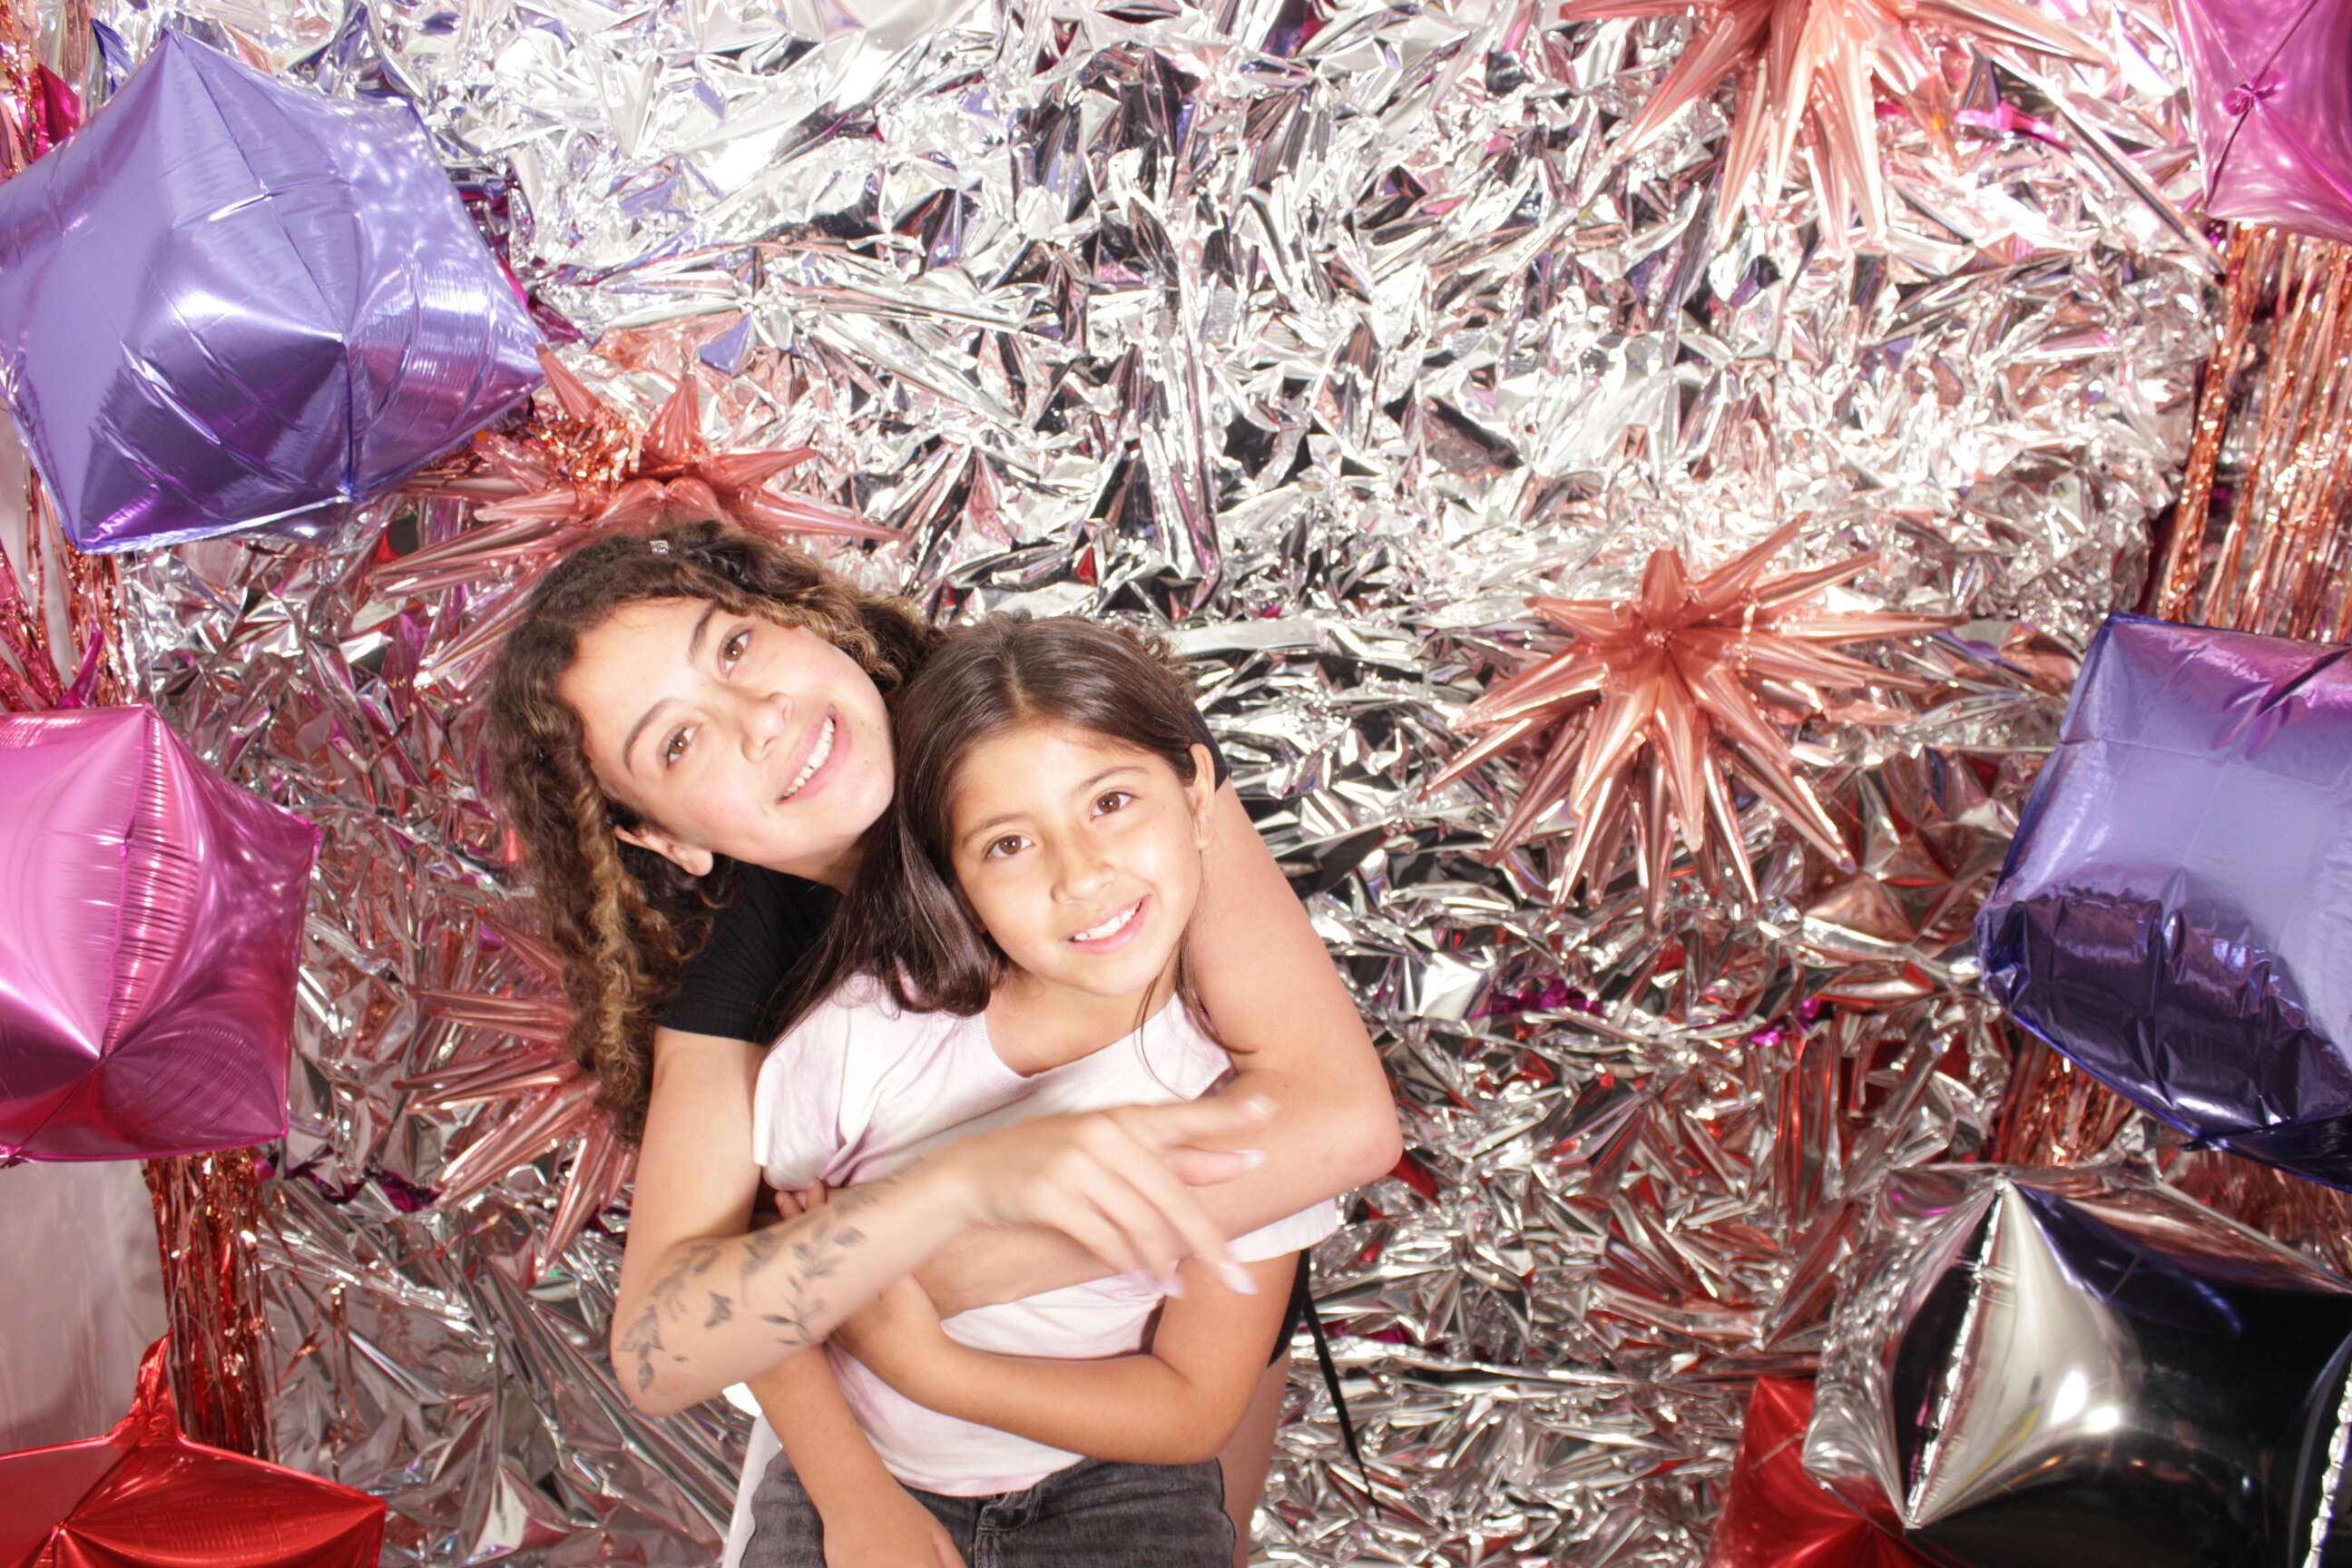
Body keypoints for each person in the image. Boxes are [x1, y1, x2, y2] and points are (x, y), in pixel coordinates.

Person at [483, 521, 1401, 1562]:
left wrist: (874, 1295)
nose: (759, 719)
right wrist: (949, 1201)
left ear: (806, 619)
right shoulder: (759, 964)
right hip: (892, 1408)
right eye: (677, 742)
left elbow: (1340, 1125)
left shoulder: (1051, 724)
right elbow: (670, 1344)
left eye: (734, 647)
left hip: (1167, 1314)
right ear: (661, 837)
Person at [730, 614, 1338, 1565]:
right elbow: (760, 1296)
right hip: (857, 1470)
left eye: (1111, 802)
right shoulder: (862, 1039)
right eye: (1009, 844)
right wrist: (856, 1502)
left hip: (1113, 1479)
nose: (1081, 875)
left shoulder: (1248, 1103)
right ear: (955, 881)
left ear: (1197, 792)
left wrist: (927, 1364)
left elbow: (1191, 1406)